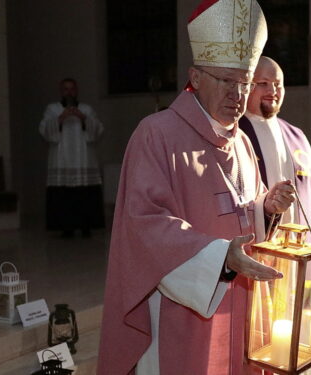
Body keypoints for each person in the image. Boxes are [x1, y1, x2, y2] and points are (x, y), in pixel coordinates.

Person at [97, 1, 297, 374]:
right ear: (195, 77)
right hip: (179, 312)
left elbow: (241, 209)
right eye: (226, 81)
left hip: (238, 304)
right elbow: (145, 226)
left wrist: (265, 208)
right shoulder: (156, 134)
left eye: (245, 83)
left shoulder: (242, 143)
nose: (238, 95)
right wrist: (221, 259)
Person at [239, 56, 311, 276]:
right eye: (263, 83)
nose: (272, 90)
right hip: (257, 251)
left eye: (278, 84)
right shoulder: (234, 133)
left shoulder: (295, 136)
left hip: (298, 251)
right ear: (246, 86)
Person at [39, 78, 104, 237]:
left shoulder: (86, 109)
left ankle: (86, 227)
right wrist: (61, 118)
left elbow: (98, 129)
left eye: (72, 89)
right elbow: (44, 130)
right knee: (64, 196)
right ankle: (66, 228)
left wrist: (83, 118)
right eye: (66, 89)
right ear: (61, 91)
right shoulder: (52, 109)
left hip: (83, 160)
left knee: (85, 195)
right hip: (62, 160)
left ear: (76, 91)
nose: (69, 92)